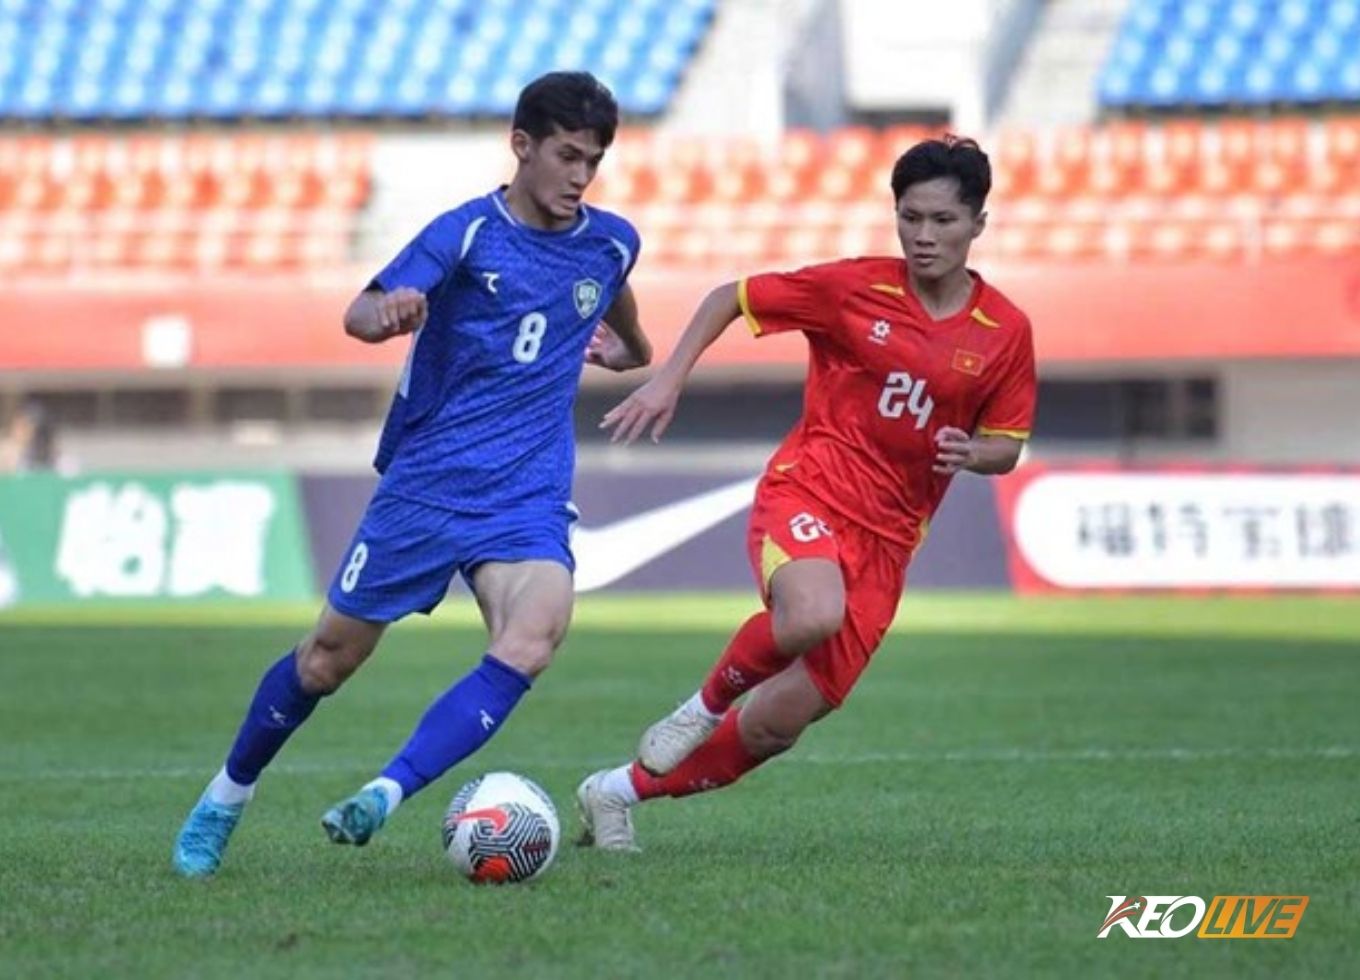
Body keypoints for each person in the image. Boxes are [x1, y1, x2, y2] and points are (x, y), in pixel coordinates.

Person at [173, 71, 653, 877]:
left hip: (527, 494)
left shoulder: (611, 243)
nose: (580, 176)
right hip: (427, 487)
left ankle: (385, 795)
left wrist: (625, 354)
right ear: (521, 146)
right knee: (327, 659)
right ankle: (226, 794)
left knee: (532, 638)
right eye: (567, 156)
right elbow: (362, 311)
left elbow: (630, 332)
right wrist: (388, 313)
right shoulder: (465, 234)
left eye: (594, 161)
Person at [576, 136, 1036, 851]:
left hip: (889, 543)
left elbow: (1007, 446)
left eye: (942, 220)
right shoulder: (852, 289)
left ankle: (615, 793)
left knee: (772, 727)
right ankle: (699, 706)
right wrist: (667, 377)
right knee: (812, 614)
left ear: (978, 223)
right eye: (909, 217)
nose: (922, 236)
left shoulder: (1004, 332)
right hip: (811, 489)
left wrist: (975, 452)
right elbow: (731, 296)